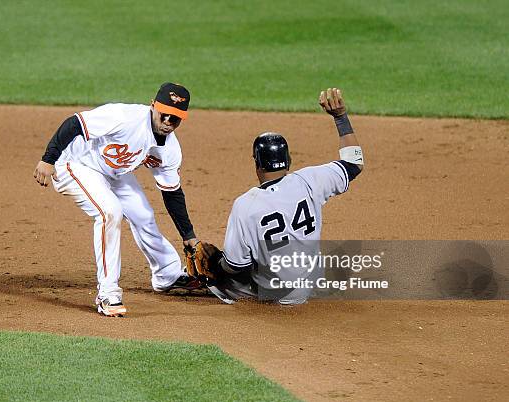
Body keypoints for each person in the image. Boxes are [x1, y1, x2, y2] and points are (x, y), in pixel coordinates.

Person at [33, 83, 202, 317]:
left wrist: (189, 236)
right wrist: (48, 160)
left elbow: (172, 193)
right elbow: (75, 123)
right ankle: (108, 293)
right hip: (73, 163)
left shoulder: (170, 150)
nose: (167, 121)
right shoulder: (124, 117)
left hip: (113, 172)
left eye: (175, 118)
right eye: (164, 113)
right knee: (109, 212)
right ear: (152, 106)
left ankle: (168, 274)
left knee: (143, 215)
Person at [206, 88, 364, 305]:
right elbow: (354, 163)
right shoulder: (310, 180)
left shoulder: (245, 205)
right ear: (288, 161)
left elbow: (236, 267)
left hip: (281, 295)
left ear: (257, 163)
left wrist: (216, 263)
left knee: (218, 279)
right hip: (312, 279)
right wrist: (340, 117)